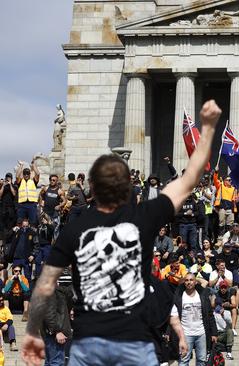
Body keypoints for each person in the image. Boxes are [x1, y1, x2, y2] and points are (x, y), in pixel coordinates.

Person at [21, 100, 222, 366]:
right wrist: (208, 129)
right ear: (129, 186)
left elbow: (45, 284)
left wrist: (33, 331)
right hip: (134, 345)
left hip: (89, 345)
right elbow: (189, 179)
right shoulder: (145, 216)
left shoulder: (75, 227)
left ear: (93, 188)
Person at [170, 273, 218, 366]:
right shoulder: (179, 296)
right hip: (185, 334)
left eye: (191, 280)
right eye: (186, 280)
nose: (189, 282)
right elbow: (173, 316)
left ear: (196, 282)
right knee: (184, 361)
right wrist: (168, 332)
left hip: (201, 333)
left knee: (201, 360)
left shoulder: (202, 296)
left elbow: (210, 315)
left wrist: (214, 333)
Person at [41, 281, 72, 366]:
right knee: (57, 362)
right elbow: (49, 314)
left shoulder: (53, 291)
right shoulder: (51, 292)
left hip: (51, 332)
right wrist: (57, 331)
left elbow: (69, 291)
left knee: (50, 362)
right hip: (55, 334)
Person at [15, 161, 40, 226]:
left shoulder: (33, 181)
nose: (26, 175)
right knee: (20, 222)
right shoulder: (20, 182)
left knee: (33, 222)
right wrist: (21, 165)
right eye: (25, 174)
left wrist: (34, 166)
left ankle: (32, 235)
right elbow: (17, 176)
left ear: (30, 174)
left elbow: (37, 174)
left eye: (27, 174)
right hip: (22, 205)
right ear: (23, 175)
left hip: (32, 205)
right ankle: (20, 235)